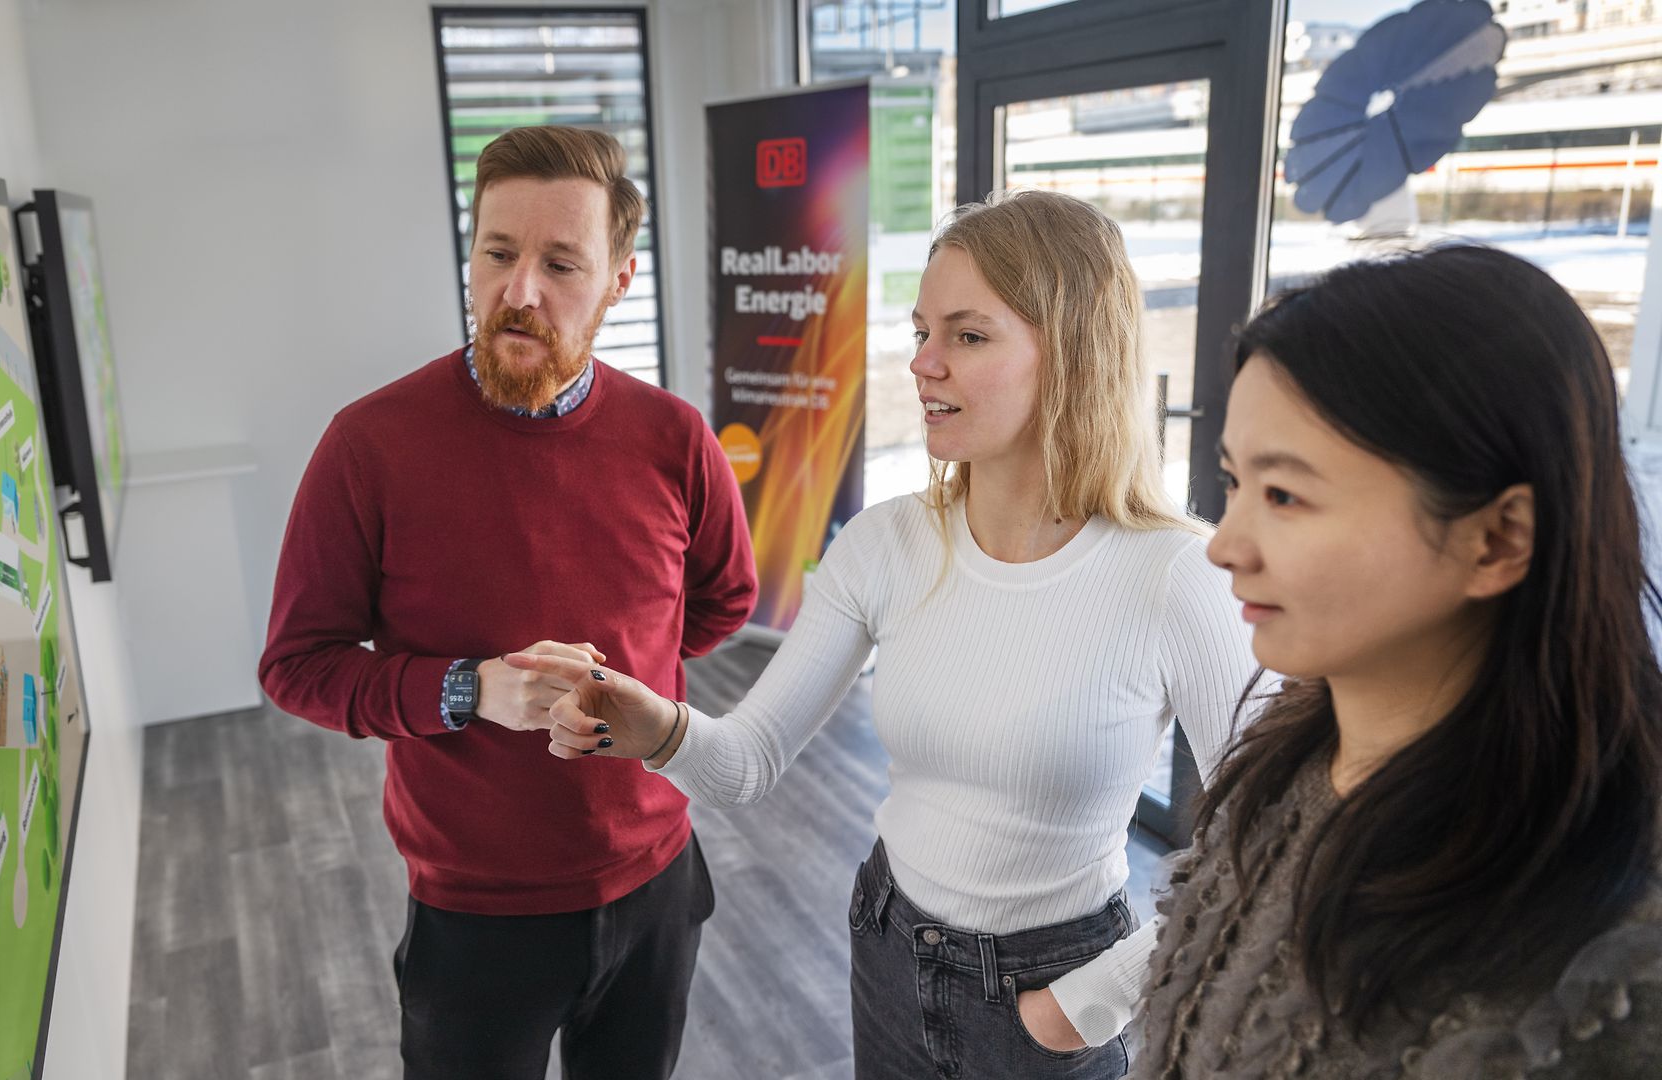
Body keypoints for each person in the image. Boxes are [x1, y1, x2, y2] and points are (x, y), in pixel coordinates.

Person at [509, 189, 1257, 1078]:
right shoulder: (886, 544)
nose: (922, 364)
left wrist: (1083, 1005)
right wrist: (655, 728)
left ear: (1075, 356)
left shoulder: (1180, 575)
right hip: (889, 947)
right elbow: (747, 763)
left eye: (967, 336)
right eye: (921, 333)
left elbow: (1276, 848)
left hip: (1057, 988)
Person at [258, 125, 758, 1080]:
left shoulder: (675, 438)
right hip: (475, 917)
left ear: (618, 279)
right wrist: (469, 690)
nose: (519, 291)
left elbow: (723, 598)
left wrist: (630, 681)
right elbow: (298, 666)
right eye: (497, 253)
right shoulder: (369, 447)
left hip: (658, 883)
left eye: (561, 263)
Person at [1132, 245, 1662, 1078]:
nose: (1225, 546)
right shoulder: (1284, 764)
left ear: (1498, 539)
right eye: (1234, 482)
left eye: (1284, 496)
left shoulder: (1618, 945)